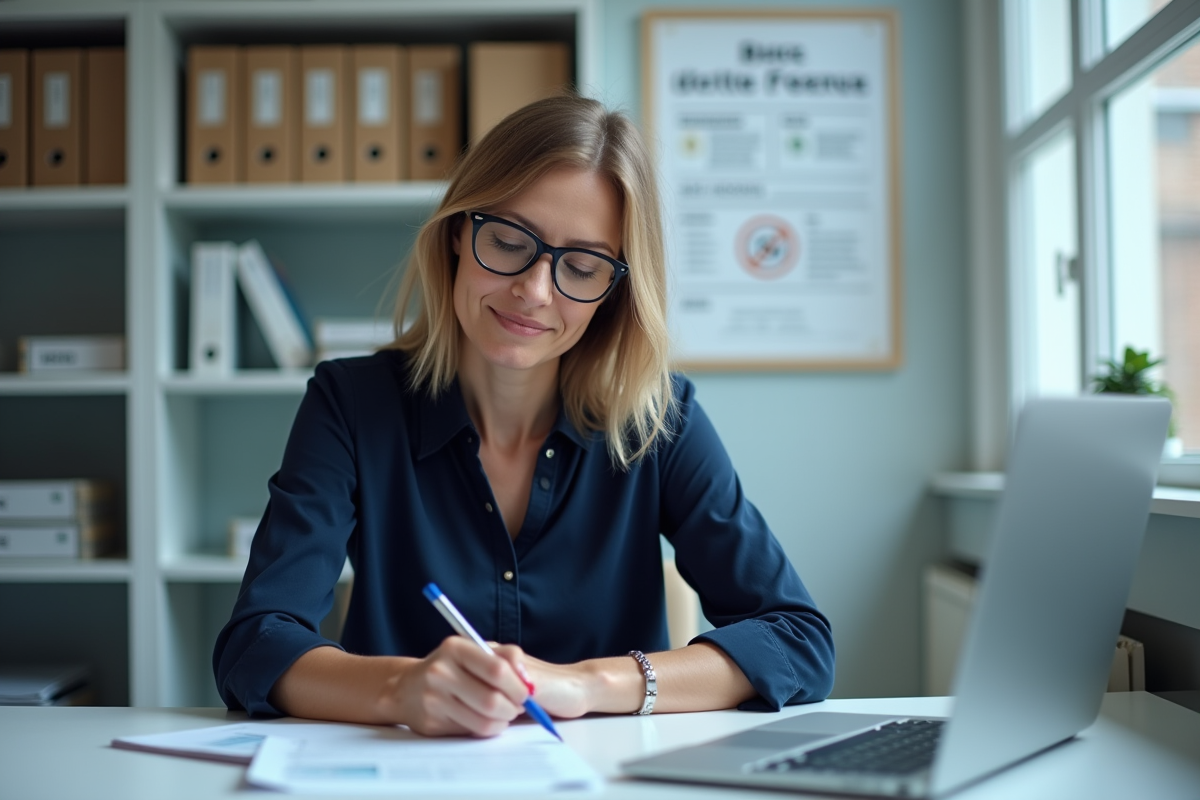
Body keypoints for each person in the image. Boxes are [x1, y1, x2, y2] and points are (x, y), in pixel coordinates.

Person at [213, 94, 834, 737]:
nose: (534, 292)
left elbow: (798, 640)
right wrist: (400, 689)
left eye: (583, 267)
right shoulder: (350, 403)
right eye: (508, 242)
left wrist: (588, 684)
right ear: (458, 232)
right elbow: (255, 644)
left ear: (613, 291)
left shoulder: (660, 419)